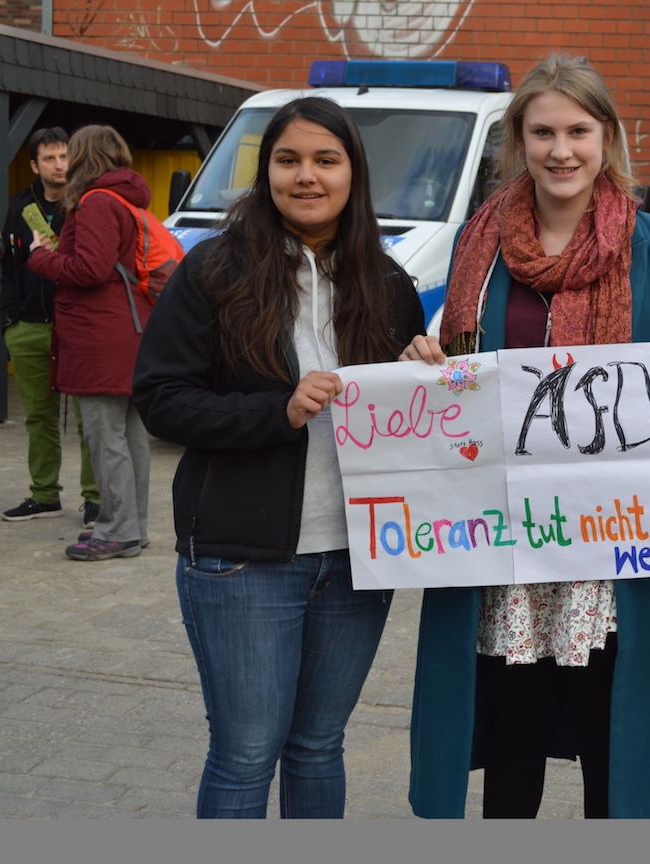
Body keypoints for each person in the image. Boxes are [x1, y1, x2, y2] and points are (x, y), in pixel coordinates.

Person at [402, 53, 650, 819]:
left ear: (607, 137)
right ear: (517, 140)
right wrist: (424, 367)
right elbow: (458, 380)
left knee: (614, 750)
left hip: (613, 542)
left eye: (579, 131)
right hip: (504, 540)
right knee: (512, 745)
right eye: (543, 131)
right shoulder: (477, 247)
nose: (561, 150)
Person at [131, 97, 425, 818]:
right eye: (288, 160)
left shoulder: (388, 286)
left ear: (353, 173)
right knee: (245, 754)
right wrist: (280, 411)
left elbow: (414, 427)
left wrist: (427, 372)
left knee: (320, 745)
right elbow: (160, 397)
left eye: (326, 160)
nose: (306, 177)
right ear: (265, 173)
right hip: (242, 560)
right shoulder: (214, 271)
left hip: (357, 559)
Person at [26, 125, 152, 561]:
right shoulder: (123, 197)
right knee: (130, 433)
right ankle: (134, 527)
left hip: (100, 334)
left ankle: (116, 531)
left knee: (105, 436)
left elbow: (91, 270)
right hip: (129, 329)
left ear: (84, 156)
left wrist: (42, 257)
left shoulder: (97, 201)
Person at [0, 127, 101, 528]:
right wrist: (10, 320)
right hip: (27, 327)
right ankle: (45, 496)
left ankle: (95, 500)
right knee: (37, 418)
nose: (59, 166)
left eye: (64, 157)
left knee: (88, 418)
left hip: (75, 329)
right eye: (50, 159)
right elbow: (9, 268)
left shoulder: (87, 204)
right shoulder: (18, 206)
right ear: (34, 165)